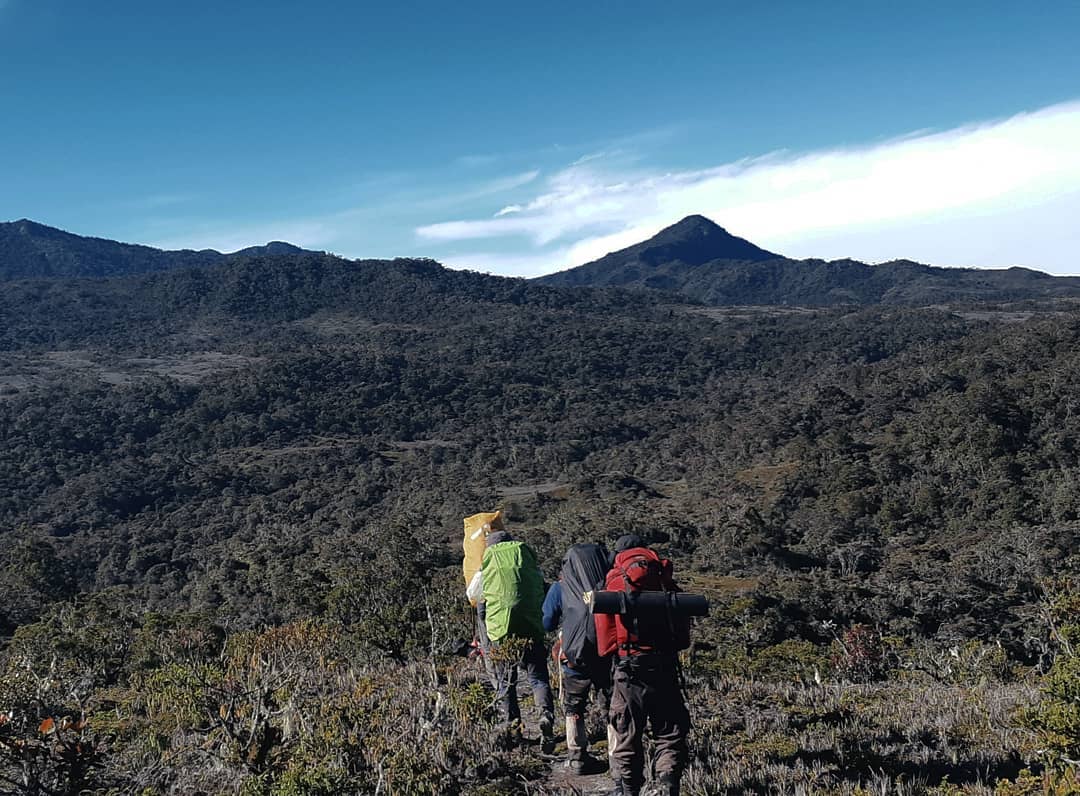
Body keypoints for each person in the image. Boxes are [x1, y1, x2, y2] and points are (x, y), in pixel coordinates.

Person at [595, 535, 691, 796]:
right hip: (665, 666)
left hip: (629, 669)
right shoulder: (663, 579)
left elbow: (605, 642)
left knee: (627, 734)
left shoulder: (614, 582)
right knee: (669, 732)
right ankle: (668, 779)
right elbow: (683, 636)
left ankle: (629, 789)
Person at [477, 528, 555, 749]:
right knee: (538, 678)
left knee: (506, 682)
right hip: (531, 628)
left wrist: (487, 629)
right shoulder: (524, 559)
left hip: (501, 633)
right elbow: (543, 589)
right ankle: (545, 715)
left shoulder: (488, 566)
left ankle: (514, 730)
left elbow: (481, 609)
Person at [542, 543, 612, 774]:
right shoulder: (610, 584)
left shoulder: (560, 588)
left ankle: (577, 756)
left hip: (573, 656)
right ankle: (618, 757)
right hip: (606, 654)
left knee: (573, 705)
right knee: (611, 704)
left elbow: (547, 622)